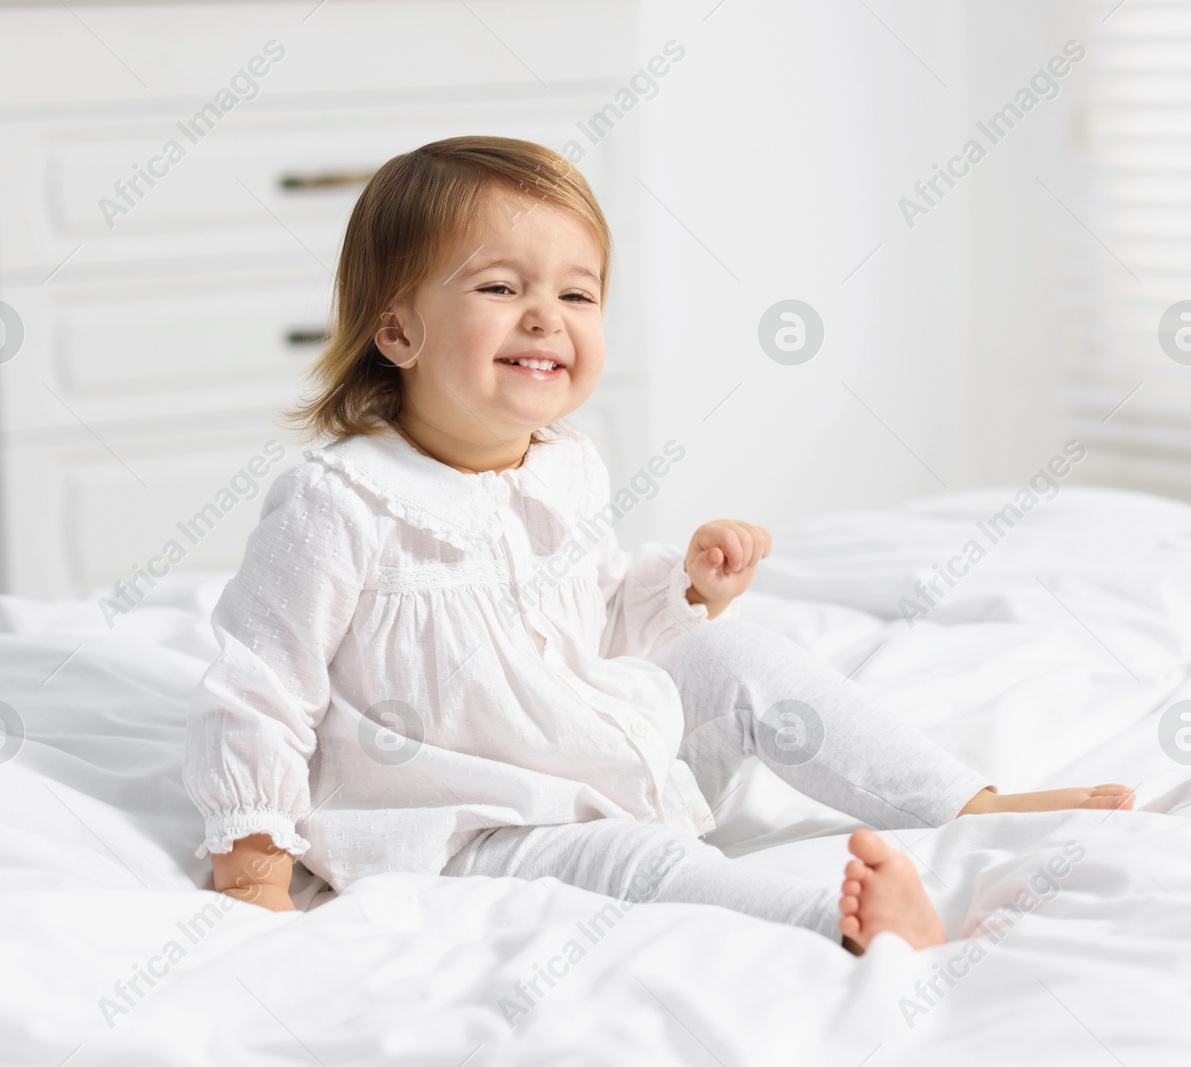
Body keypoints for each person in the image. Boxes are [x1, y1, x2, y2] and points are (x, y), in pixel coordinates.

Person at [182, 135, 1132, 953]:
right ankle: (839, 927)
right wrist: (254, 871)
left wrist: (684, 586)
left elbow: (592, 611)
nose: (546, 315)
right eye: (501, 286)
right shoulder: (340, 501)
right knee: (640, 861)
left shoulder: (565, 467)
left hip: (600, 753)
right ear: (396, 329)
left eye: (578, 293)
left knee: (732, 653)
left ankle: (969, 805)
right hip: (474, 820)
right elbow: (260, 687)